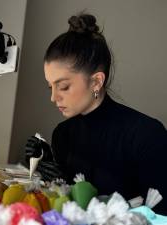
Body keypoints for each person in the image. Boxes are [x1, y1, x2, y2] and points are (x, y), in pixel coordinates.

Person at [25, 13, 167, 214]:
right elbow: (71, 210)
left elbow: (161, 214)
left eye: (63, 86)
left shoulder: (147, 135)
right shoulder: (62, 135)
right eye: (50, 87)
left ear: (96, 82)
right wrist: (49, 172)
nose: (53, 97)